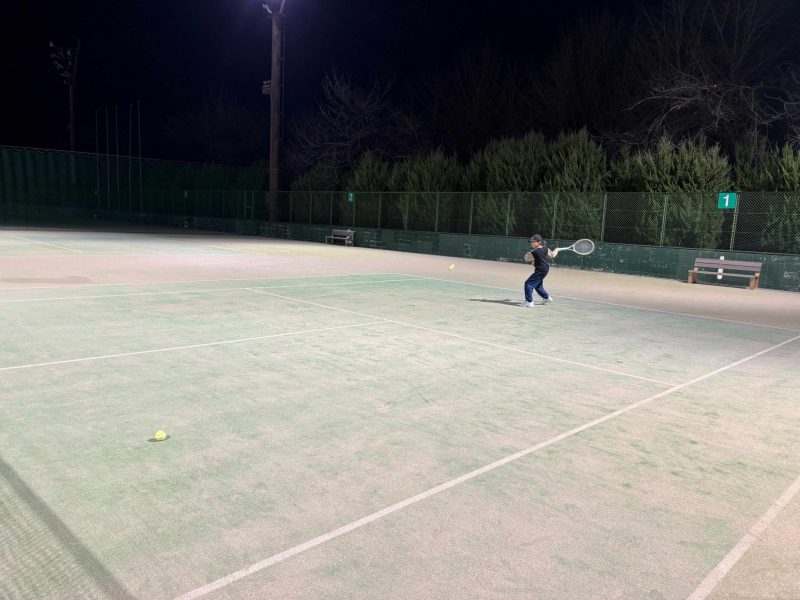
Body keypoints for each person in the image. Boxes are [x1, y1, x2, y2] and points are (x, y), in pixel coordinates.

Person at [521, 234, 558, 307]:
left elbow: (526, 258)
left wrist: (528, 254)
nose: (531, 243)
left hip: (540, 270)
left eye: (533, 242)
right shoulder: (545, 249)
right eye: (531, 242)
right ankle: (546, 297)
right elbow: (552, 255)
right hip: (545, 269)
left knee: (528, 284)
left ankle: (529, 302)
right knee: (538, 285)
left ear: (539, 242)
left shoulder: (534, 252)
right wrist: (556, 250)